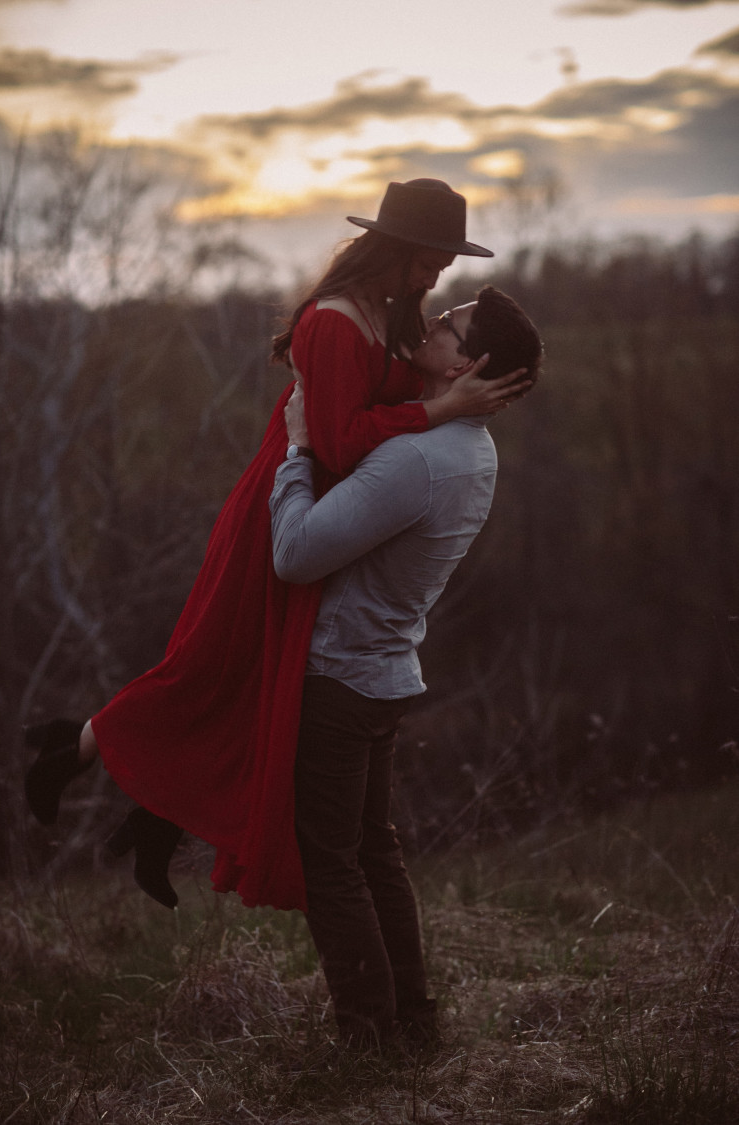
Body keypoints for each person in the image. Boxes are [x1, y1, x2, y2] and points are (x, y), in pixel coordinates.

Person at [24, 180, 528, 912]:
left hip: (323, 511)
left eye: (446, 262)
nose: (438, 274)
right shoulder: (333, 323)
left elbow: (360, 429)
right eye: (432, 259)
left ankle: (158, 821)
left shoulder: (390, 312)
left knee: (256, 684)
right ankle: (68, 756)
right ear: (399, 248)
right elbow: (337, 441)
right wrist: (439, 408)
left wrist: (438, 404)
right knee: (207, 666)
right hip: (280, 512)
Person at [269, 285, 543, 1048]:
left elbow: (294, 555)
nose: (431, 323)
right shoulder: (471, 447)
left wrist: (296, 451)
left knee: (333, 864)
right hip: (383, 673)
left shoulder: (419, 459)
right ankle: (411, 1024)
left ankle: (368, 1035)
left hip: (341, 678)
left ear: (470, 361)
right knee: (374, 854)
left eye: (449, 325)